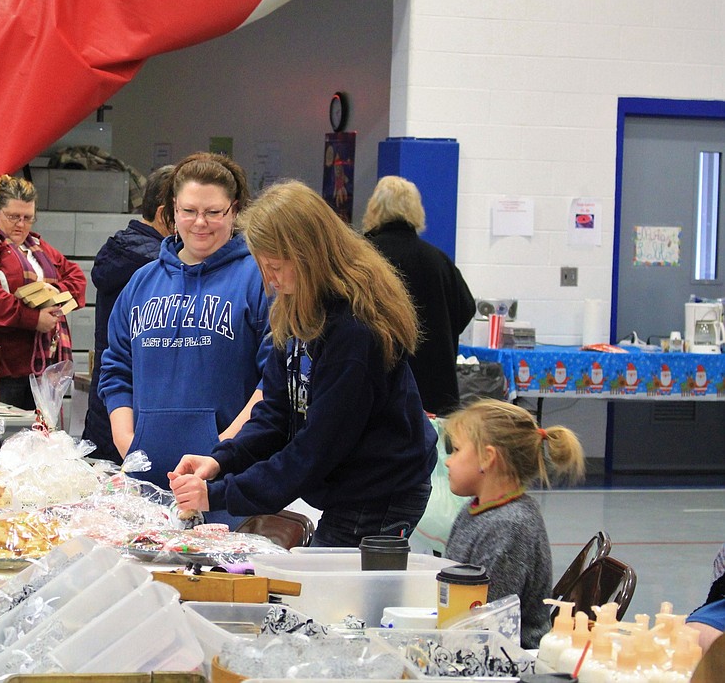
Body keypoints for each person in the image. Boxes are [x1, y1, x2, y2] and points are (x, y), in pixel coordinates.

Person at [168, 180, 436, 545]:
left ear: (310, 257)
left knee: (336, 594)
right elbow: (276, 412)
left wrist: (217, 495)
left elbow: (315, 450)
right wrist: (220, 461)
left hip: (381, 488)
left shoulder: (355, 332)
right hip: (347, 480)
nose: (272, 281)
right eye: (265, 268)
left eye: (276, 267)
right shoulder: (298, 307)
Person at [99, 151, 271, 495]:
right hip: (145, 480)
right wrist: (126, 440)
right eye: (188, 211)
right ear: (172, 211)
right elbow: (116, 367)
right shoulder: (141, 282)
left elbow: (274, 381)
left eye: (213, 212)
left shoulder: (260, 279)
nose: (199, 223)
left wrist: (224, 449)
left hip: (225, 479)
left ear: (234, 211)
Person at [442, 398, 585, 649]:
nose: (448, 461)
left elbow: (488, 622)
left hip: (509, 658)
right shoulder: (475, 510)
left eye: (455, 450)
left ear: (487, 458)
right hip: (467, 644)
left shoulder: (510, 526)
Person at [0, 174, 87, 411]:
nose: (21, 224)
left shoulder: (35, 246)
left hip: (40, 369)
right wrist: (35, 318)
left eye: (28, 218)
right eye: (13, 217)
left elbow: (77, 279)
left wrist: (49, 294)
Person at [363, 175, 475, 416]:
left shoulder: (363, 257)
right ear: (417, 210)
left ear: (373, 208)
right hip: (436, 389)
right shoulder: (438, 260)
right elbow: (466, 309)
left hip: (380, 392)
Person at [84, 165, 175, 462]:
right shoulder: (156, 268)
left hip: (107, 405)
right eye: (187, 211)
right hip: (132, 412)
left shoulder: (121, 250)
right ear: (164, 215)